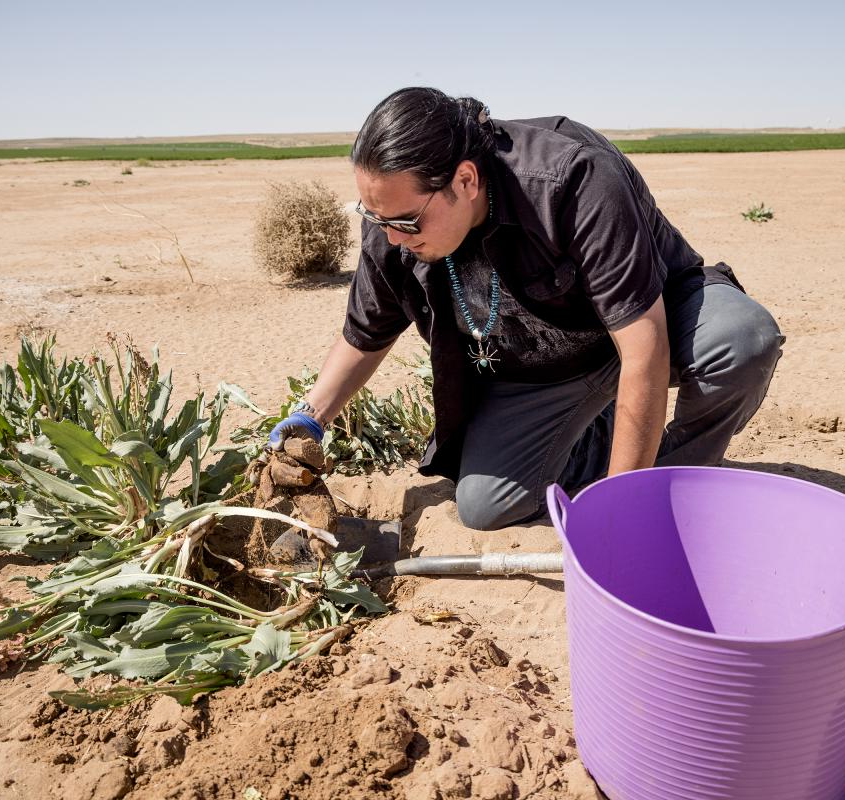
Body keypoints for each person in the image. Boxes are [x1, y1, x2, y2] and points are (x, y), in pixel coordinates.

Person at [269, 87, 784, 531]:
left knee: (742, 341)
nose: (389, 236)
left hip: (654, 318)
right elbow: (367, 333)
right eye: (372, 213)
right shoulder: (393, 219)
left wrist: (619, 511)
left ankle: (673, 485)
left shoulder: (573, 179)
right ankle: (602, 429)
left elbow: (644, 347)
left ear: (465, 181)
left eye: (405, 221)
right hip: (551, 364)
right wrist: (307, 421)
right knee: (484, 508)